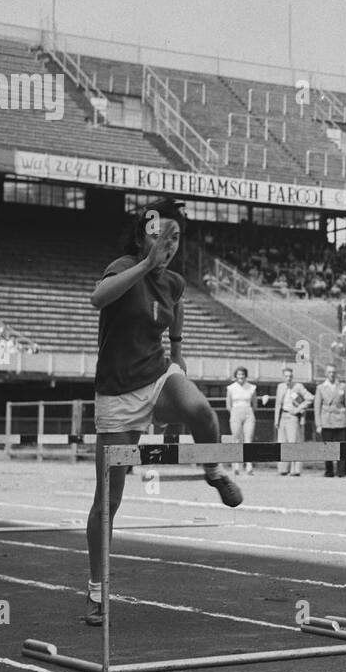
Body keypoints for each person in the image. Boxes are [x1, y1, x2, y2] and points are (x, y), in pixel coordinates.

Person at [84, 199, 242, 627]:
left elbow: (177, 325)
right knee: (107, 503)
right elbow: (98, 299)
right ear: (142, 237)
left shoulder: (174, 284)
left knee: (203, 413)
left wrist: (179, 360)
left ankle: (213, 473)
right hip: (117, 394)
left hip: (156, 377)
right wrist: (145, 263)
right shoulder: (122, 266)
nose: (168, 247)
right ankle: (98, 591)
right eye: (161, 238)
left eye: (175, 240)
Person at [313, 364, 346, 478]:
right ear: (326, 373)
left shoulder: (342, 386)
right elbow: (317, 407)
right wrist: (318, 424)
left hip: (340, 420)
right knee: (327, 448)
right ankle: (329, 471)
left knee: (342, 448)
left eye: (333, 372)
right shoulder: (320, 388)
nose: (332, 374)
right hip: (326, 421)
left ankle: (341, 472)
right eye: (329, 372)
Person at [273, 365, 311, 477]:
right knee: (282, 443)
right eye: (286, 376)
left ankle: (295, 470)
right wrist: (276, 419)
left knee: (293, 443)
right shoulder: (280, 387)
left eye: (290, 376)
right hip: (283, 416)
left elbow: (310, 398)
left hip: (292, 417)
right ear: (283, 377)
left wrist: (298, 409)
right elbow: (277, 404)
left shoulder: (298, 386)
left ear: (292, 377)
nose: (288, 379)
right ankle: (283, 469)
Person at [225, 366, 258, 475]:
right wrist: (234, 413)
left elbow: (255, 404)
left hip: (248, 412)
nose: (241, 377)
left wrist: (248, 412)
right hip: (235, 412)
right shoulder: (231, 388)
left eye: (243, 374)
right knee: (236, 439)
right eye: (239, 374)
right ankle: (236, 466)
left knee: (248, 440)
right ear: (236, 376)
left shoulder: (251, 387)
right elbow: (228, 404)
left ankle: (249, 466)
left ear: (245, 376)